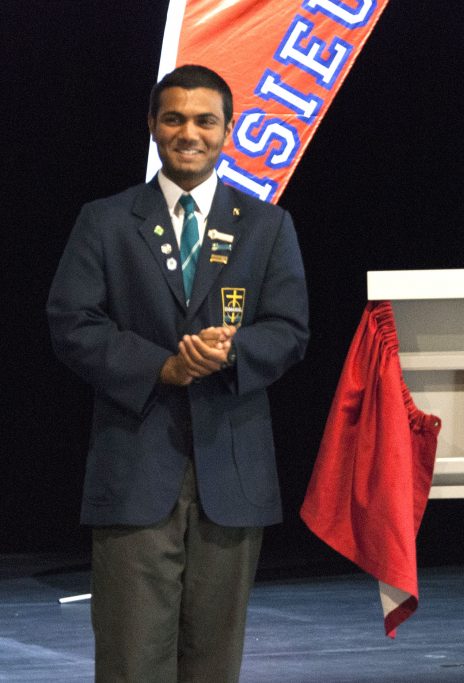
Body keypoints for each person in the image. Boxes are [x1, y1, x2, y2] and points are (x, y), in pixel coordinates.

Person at [47, 64, 309, 682]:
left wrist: (233, 352)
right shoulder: (106, 221)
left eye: (204, 120)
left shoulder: (267, 225)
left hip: (233, 473)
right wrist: (161, 366)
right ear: (152, 126)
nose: (188, 132)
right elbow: (72, 322)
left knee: (214, 662)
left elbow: (289, 329)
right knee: (132, 659)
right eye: (174, 118)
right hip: (135, 467)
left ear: (228, 129)